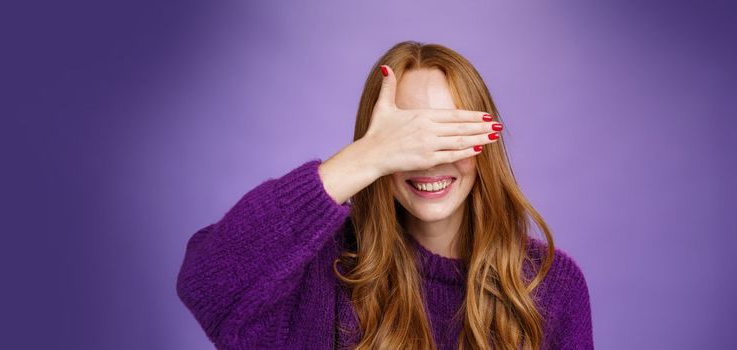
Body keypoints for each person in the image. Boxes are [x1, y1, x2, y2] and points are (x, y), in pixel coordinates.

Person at [176, 41, 593, 349]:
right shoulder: (324, 272)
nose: (429, 161)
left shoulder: (550, 285)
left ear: (486, 142)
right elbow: (206, 282)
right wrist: (366, 158)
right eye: (409, 139)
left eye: (449, 135)